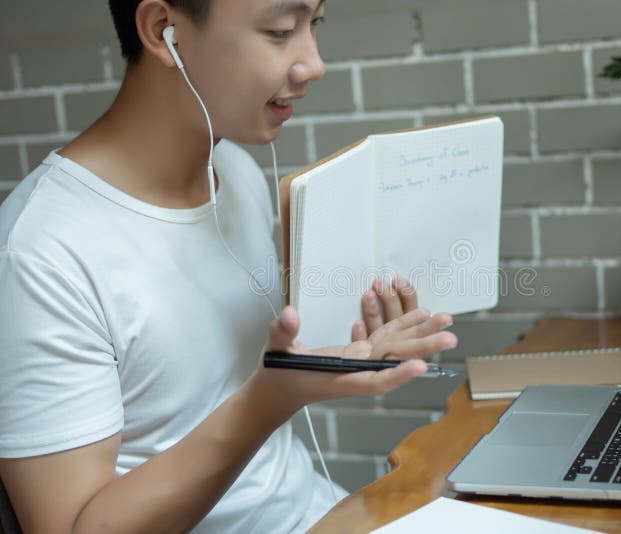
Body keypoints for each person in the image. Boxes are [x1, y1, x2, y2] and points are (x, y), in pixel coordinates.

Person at [0, 0, 458, 532]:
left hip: (322, 514)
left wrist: (338, 347)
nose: (313, 62)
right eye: (281, 30)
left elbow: (235, 375)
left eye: (315, 25)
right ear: (162, 30)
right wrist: (268, 400)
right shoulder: (39, 252)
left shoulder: (237, 173)